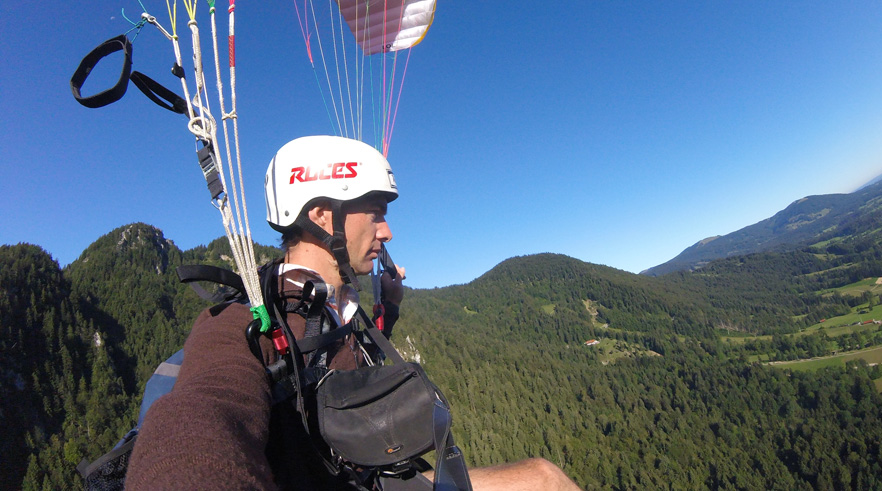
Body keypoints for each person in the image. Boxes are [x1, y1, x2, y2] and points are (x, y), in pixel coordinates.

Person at [126, 135, 579, 490]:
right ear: (324, 217)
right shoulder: (241, 323)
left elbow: (348, 351)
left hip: (368, 478)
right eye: (376, 214)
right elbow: (204, 412)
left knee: (544, 478)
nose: (387, 230)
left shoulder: (341, 307)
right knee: (544, 482)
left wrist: (391, 307)